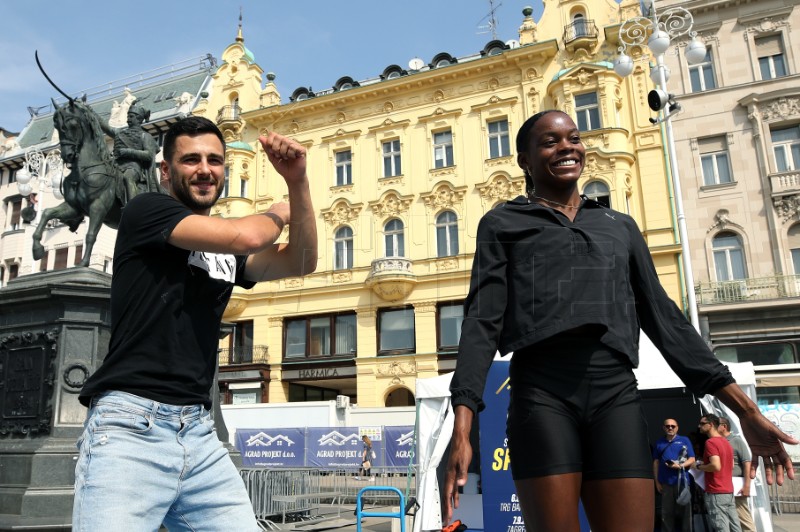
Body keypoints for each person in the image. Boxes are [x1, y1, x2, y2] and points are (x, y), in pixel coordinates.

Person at [442, 110, 798, 532]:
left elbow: (666, 320)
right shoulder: (503, 223)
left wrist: (745, 410)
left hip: (615, 393)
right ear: (525, 160)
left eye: (573, 138)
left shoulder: (618, 226)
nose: (568, 147)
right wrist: (462, 427)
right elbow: (482, 322)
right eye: (551, 141)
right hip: (541, 393)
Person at [72, 115, 317, 530]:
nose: (206, 169)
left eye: (215, 160)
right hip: (131, 427)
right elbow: (247, 237)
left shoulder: (225, 250)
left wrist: (298, 182)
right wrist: (279, 210)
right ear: (166, 171)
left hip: (199, 434)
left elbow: (302, 261)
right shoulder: (146, 210)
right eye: (192, 160)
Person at [96, 99, 162, 200]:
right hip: (115, 164)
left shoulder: (145, 136)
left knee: (128, 177)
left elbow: (149, 155)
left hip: (133, 166)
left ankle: (133, 207)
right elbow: (105, 126)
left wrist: (128, 151)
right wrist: (90, 112)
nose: (128, 119)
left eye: (131, 116)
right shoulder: (119, 132)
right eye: (128, 116)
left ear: (138, 119)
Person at [694, 414, 741, 531]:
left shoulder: (710, 443)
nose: (699, 426)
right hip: (728, 490)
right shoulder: (726, 442)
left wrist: (699, 466)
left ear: (710, 425)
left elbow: (715, 465)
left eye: (702, 423)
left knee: (721, 527)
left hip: (716, 491)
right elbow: (731, 465)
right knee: (735, 526)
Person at [654, 418, 696, 532]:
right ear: (664, 428)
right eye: (668, 426)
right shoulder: (659, 442)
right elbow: (656, 462)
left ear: (677, 427)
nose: (670, 428)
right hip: (666, 482)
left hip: (682, 481)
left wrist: (680, 466)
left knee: (686, 511)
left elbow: (692, 459)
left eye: (673, 426)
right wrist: (657, 482)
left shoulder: (684, 440)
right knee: (666, 512)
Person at [719, 417, 756, 531]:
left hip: (736, 486)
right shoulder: (718, 441)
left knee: (743, 518)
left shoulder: (736, 441)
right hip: (723, 486)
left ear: (724, 426)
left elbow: (747, 464)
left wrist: (746, 486)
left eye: (716, 424)